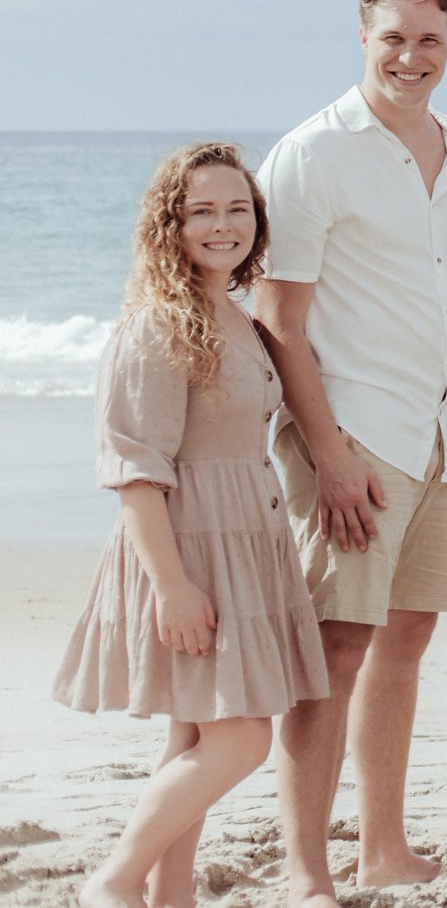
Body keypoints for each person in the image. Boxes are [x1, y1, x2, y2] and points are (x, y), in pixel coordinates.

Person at [256, 0, 447, 908]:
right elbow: (280, 320)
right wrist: (328, 456)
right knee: (337, 652)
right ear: (364, 37)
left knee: (405, 641)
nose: (411, 56)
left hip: (440, 433)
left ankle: (384, 850)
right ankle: (305, 870)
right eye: (394, 37)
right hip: (355, 436)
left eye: (430, 40)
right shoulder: (312, 153)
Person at [56, 144, 328, 908]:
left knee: (193, 740)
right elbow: (136, 471)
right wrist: (172, 588)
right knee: (242, 738)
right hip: (189, 549)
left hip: (246, 539)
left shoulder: (233, 314)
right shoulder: (157, 325)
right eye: (202, 210)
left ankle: (169, 898)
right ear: (169, 225)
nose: (223, 224)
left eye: (238, 208)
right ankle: (111, 880)